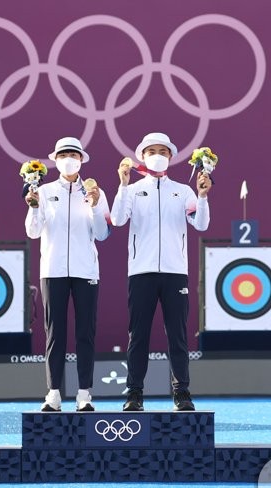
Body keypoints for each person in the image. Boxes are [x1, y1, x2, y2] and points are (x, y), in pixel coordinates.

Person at [110, 132, 211, 411]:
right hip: (141, 272)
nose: (157, 155)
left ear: (170, 156)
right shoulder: (131, 190)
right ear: (142, 156)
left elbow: (200, 224)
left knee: (177, 334)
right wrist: (121, 184)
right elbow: (118, 220)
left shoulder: (184, 190)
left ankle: (182, 393)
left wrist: (202, 197)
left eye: (163, 151)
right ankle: (134, 394)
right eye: (151, 150)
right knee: (138, 335)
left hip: (175, 272)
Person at [25, 137, 110, 411]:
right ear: (56, 160)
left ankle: (84, 393)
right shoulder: (45, 191)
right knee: (54, 333)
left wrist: (95, 204)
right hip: (52, 270)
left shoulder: (95, 191)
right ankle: (53, 393)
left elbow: (102, 233)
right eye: (63, 154)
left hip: (86, 270)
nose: (69, 159)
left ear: (82, 159)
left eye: (73, 154)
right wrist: (33, 207)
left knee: (86, 332)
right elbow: (33, 231)